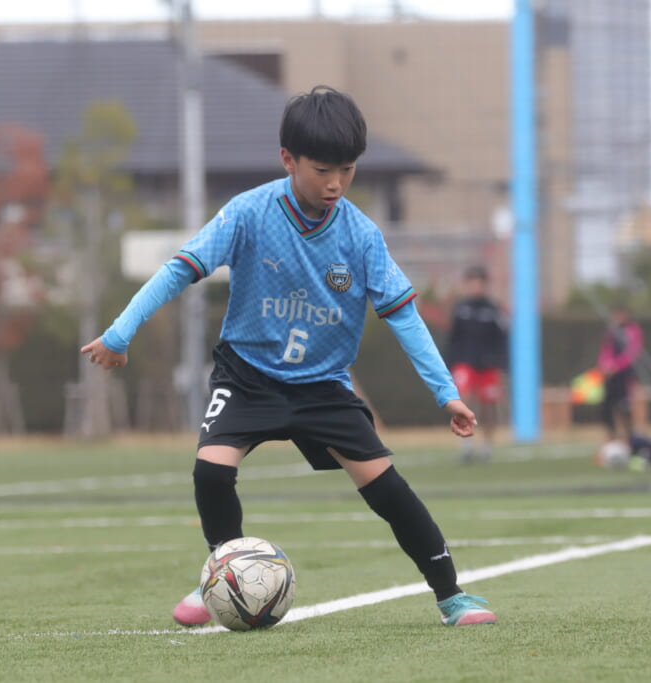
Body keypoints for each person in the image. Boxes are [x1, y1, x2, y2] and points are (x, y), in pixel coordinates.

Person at [80, 86, 496, 627]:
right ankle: (223, 573)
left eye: (347, 170)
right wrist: (119, 334)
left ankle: (451, 596)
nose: (335, 183)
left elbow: (403, 316)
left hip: (323, 385)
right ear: (288, 159)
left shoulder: (361, 236)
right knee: (210, 472)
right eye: (323, 170)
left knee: (387, 489)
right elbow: (179, 269)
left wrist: (447, 394)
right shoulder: (248, 213)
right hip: (248, 377)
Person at [445, 265, 507, 463]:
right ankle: (466, 446)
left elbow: (502, 338)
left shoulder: (493, 309)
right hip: (465, 363)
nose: (476, 286)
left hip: (488, 365)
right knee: (464, 401)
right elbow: (453, 338)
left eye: (479, 282)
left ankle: (487, 447)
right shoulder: (461, 309)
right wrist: (450, 364)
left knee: (488, 406)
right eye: (472, 282)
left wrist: (500, 363)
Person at [597, 304, 644, 451]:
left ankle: (630, 438)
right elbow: (605, 350)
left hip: (625, 375)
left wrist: (616, 366)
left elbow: (632, 352)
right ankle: (611, 436)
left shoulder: (633, 330)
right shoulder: (611, 330)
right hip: (610, 375)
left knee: (624, 406)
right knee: (606, 405)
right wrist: (604, 365)